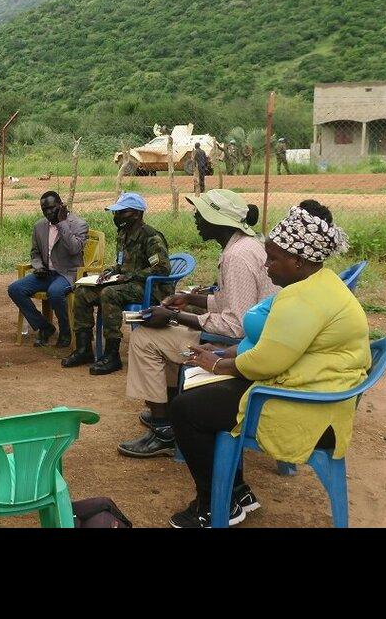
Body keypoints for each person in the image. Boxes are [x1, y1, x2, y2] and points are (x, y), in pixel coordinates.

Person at [168, 201, 369, 527]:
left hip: (308, 408)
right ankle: (237, 491)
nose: (266, 266)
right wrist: (225, 355)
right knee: (203, 397)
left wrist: (216, 365)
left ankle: (216, 505)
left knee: (185, 409)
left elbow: (265, 362)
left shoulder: (304, 299)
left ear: (298, 260)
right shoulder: (319, 284)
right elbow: (273, 346)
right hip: (313, 388)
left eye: (273, 259)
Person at [116, 190, 278, 458]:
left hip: (240, 344)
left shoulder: (237, 257)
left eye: (200, 214)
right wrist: (190, 299)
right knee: (165, 334)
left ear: (216, 220)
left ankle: (163, 431)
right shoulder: (245, 246)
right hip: (254, 336)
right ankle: (170, 411)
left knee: (145, 338)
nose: (196, 219)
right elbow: (233, 302)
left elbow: (236, 325)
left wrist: (174, 316)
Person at [61, 191, 169, 375]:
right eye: (116, 212)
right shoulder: (123, 234)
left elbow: (162, 269)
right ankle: (84, 349)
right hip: (125, 284)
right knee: (82, 292)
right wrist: (111, 271)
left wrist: (128, 276)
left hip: (149, 288)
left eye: (122, 212)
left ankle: (112, 355)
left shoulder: (151, 237)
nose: (117, 216)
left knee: (109, 293)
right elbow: (121, 264)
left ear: (137, 214)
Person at [7, 191, 88, 348]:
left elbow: (74, 249)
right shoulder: (39, 226)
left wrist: (62, 223)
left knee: (55, 292)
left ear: (61, 206)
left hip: (68, 273)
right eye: (44, 209)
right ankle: (44, 327)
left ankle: (65, 330)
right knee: (15, 289)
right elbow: (35, 253)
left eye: (52, 208)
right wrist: (38, 266)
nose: (48, 212)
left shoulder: (79, 224)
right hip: (46, 274)